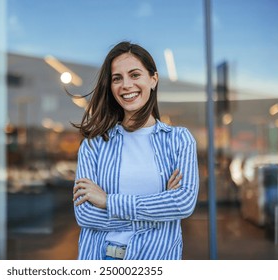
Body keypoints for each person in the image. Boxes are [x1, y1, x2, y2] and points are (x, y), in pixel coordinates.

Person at [72, 41, 199, 260]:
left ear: (153, 79)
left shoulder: (179, 140)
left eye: (135, 75)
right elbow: (85, 215)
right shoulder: (94, 144)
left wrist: (108, 201)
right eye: (117, 78)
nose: (126, 85)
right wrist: (160, 208)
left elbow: (183, 203)